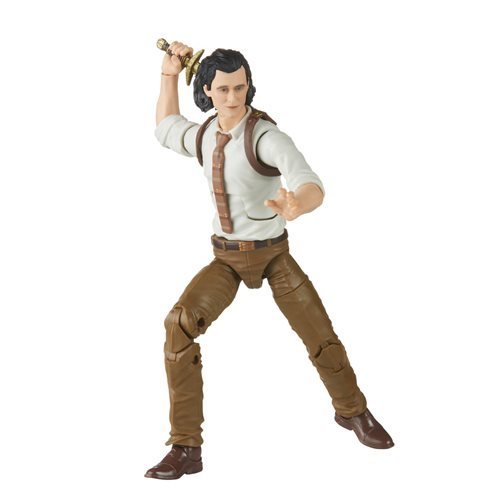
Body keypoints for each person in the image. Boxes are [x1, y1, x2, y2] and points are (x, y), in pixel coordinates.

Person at [145, 41, 394, 480]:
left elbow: (307, 179)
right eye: (223, 89)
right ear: (206, 89)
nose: (233, 97)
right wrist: (168, 76)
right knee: (178, 324)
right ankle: (185, 446)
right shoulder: (205, 135)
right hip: (226, 258)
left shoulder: (264, 136)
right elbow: (167, 128)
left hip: (273, 254)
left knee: (319, 332)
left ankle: (353, 411)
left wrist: (298, 203)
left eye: (240, 87)